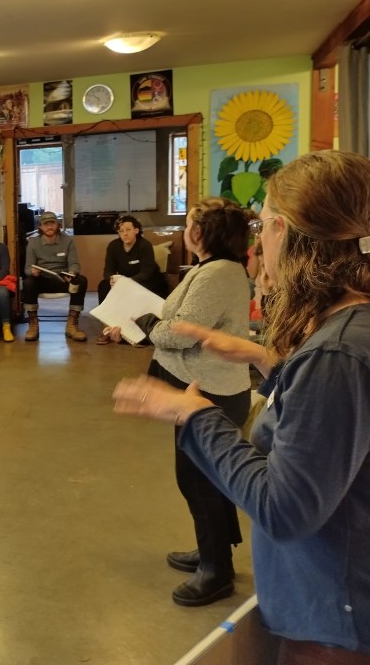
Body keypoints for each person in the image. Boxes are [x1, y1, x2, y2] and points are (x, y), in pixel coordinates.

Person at [114, 151, 370, 661]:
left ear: (284, 230)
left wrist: (193, 415)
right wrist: (267, 360)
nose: (258, 246)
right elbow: (335, 419)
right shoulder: (351, 332)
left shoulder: (337, 352)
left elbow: (285, 508)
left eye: (264, 227)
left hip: (333, 618)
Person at [110, 196, 252, 607]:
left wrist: (149, 321)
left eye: (191, 222)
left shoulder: (218, 273)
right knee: (203, 478)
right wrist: (143, 323)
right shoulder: (213, 269)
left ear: (203, 232)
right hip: (200, 386)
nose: (187, 229)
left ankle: (217, 571)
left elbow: (179, 333)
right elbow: (177, 323)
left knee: (198, 480)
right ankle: (213, 553)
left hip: (212, 393)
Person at [96, 214, 169, 345]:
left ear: (136, 230)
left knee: (139, 291)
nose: (125, 234)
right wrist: (112, 279)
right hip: (125, 281)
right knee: (103, 286)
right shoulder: (113, 246)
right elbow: (108, 270)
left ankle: (137, 331)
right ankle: (107, 327)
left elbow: (147, 272)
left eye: (128, 230)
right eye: (121, 231)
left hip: (148, 280)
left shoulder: (144, 245)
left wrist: (127, 282)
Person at [23, 211, 88, 342]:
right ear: (40, 227)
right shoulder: (33, 242)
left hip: (63, 280)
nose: (49, 227)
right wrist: (32, 271)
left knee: (81, 280)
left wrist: (72, 273)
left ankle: (72, 324)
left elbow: (74, 263)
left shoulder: (68, 241)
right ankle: (33, 324)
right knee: (28, 282)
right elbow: (27, 268)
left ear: (57, 225)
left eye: (52, 223)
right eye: (45, 224)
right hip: (42, 280)